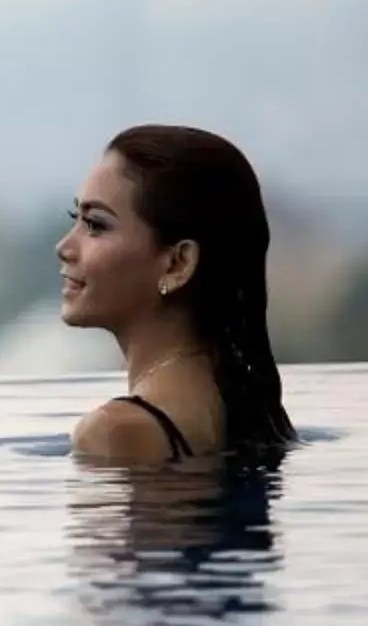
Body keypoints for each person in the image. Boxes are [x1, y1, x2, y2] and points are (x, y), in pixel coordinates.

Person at [58, 124, 296, 463]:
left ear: (178, 264)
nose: (64, 247)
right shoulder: (243, 410)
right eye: (75, 218)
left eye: (96, 225)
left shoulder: (112, 432)